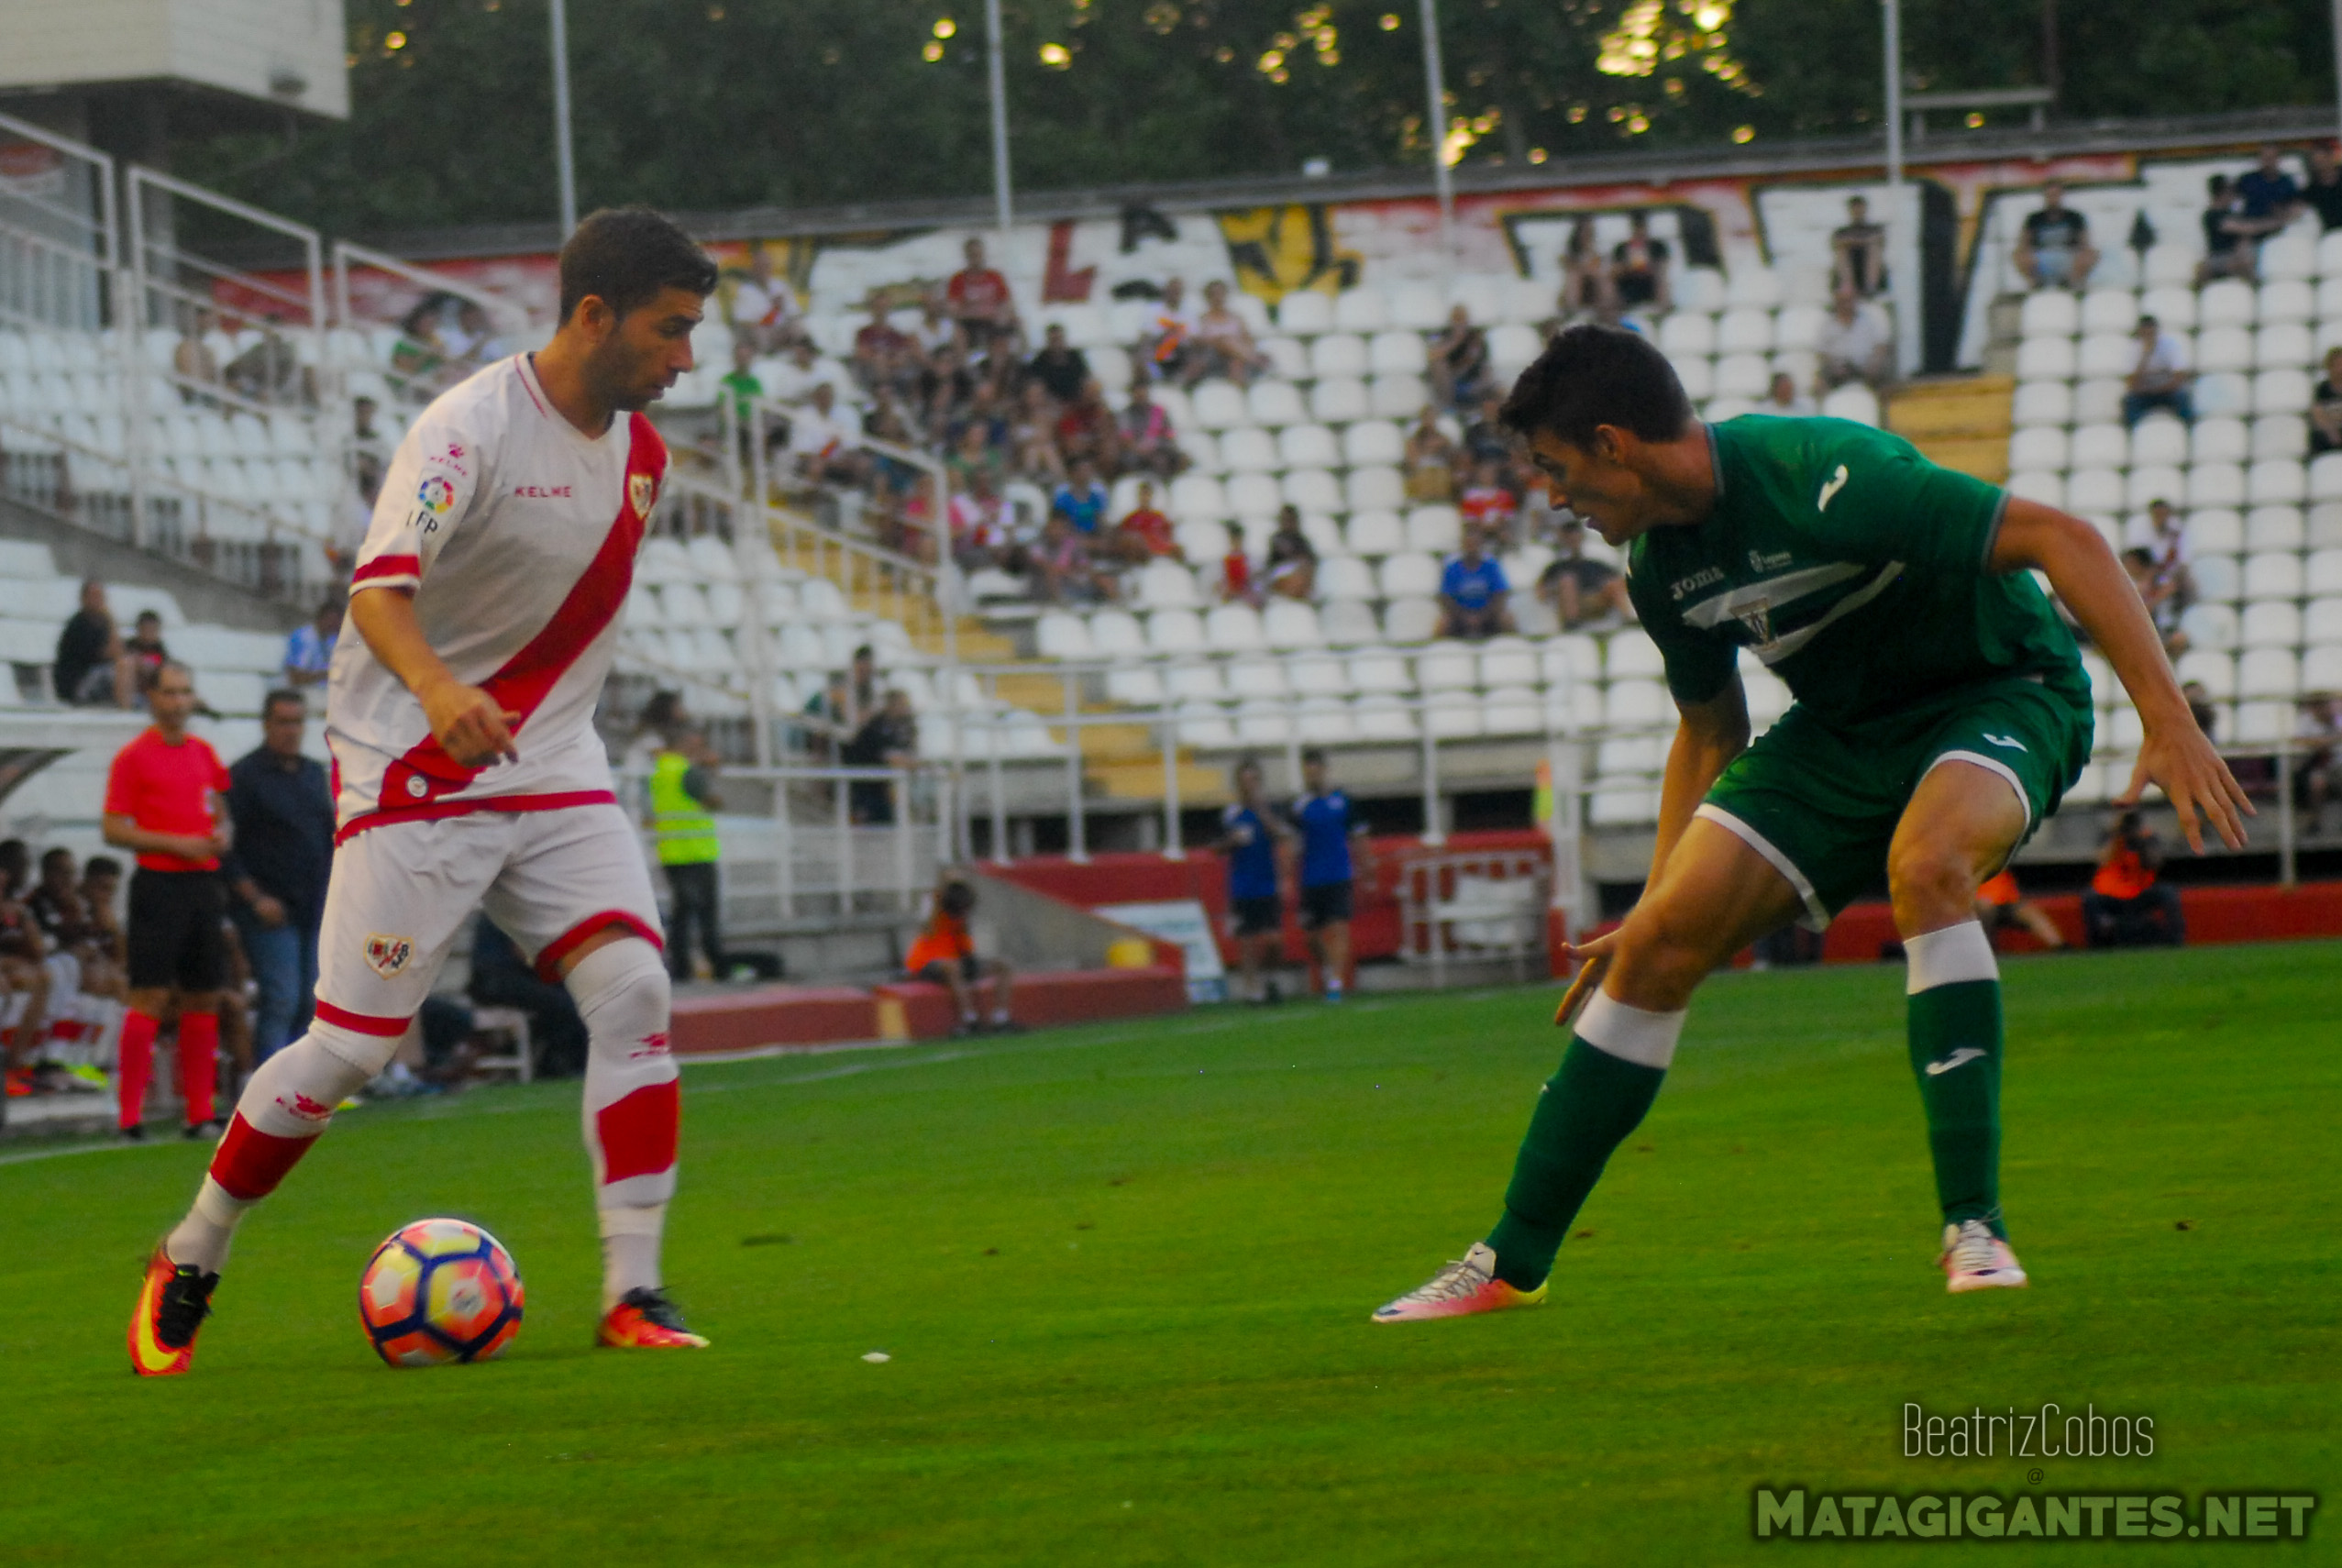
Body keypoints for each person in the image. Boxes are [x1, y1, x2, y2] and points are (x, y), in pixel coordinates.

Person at [1371, 323, 2248, 1323]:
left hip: (1999, 694)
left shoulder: (1829, 473)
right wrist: (1657, 904)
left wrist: (2167, 721)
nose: (1554, 496)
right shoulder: (1661, 570)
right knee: (1653, 948)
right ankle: (1507, 1261)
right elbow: (1709, 730)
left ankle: (1975, 1225)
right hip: (1839, 734)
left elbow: (2066, 538)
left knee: (1925, 867)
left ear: (1614, 443)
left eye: (1556, 469)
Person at [127, 206, 724, 1377]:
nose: (684, 359)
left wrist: (515, 714)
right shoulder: (466, 429)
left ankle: (631, 1290)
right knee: (348, 1052)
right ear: (594, 315)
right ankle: (194, 1245)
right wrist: (443, 692)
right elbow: (376, 595)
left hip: (551, 765)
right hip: (417, 763)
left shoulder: (643, 458)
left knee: (636, 989)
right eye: (669, 330)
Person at [100, 662, 230, 1142]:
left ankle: (199, 1112)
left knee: (204, 994)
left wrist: (222, 834)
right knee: (150, 993)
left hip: (202, 885)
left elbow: (219, 807)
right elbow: (113, 827)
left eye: (186, 692)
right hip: (158, 884)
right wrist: (177, 844)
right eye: (170, 693)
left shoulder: (205, 753)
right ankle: (129, 1114)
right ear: (153, 698)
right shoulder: (133, 758)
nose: (179, 701)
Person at [221, 690, 335, 1065]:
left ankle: (303, 1085)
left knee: (312, 1000)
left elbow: (327, 835)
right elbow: (226, 848)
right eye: (284, 722)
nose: (292, 730)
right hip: (270, 907)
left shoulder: (314, 774)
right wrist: (254, 898)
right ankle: (270, 1086)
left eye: (297, 722)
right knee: (281, 998)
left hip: (314, 905)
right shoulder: (243, 777)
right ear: (266, 724)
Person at [645, 704, 737, 983]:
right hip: (697, 852)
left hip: (671, 851)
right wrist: (712, 772)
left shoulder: (660, 771)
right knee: (706, 912)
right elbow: (713, 801)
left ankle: (681, 966)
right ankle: (717, 963)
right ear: (684, 744)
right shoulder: (688, 772)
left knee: (682, 913)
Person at [1291, 748, 1370, 1004]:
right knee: (1312, 936)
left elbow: (1358, 835)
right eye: (1307, 772)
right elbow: (1291, 843)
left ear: (1324, 770)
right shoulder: (1299, 806)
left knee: (1338, 928)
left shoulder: (1343, 801)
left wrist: (1366, 867)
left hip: (1339, 874)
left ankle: (1335, 981)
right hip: (1311, 878)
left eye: (1315, 770)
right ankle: (1327, 968)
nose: (1312, 776)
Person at [1217, 757, 1292, 1005]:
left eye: (1253, 781)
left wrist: (1262, 811)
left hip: (1267, 882)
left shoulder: (1269, 809)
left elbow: (1282, 834)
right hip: (1242, 884)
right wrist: (1232, 842)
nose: (1249, 786)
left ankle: (1270, 977)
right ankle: (1252, 988)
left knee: (1274, 940)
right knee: (1247, 940)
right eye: (1245, 782)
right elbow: (1217, 847)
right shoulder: (1231, 813)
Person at [904, 875, 1014, 1035]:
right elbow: (926, 929)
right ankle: (969, 1019)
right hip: (928, 964)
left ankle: (1001, 1018)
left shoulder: (961, 911)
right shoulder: (933, 904)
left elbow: (966, 946)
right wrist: (938, 902)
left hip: (958, 960)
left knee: (1004, 964)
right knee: (952, 967)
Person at [2082, 810, 2184, 947]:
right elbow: (2102, 860)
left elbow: (2155, 862)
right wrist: (2117, 836)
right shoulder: (2110, 836)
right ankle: (2098, 943)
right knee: (2090, 898)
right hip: (2112, 893)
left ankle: (2174, 941)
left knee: (2168, 892)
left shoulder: (2147, 836)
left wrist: (2142, 842)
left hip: (2140, 891)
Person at [0, 841, 51, 1098]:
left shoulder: (17, 908)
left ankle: (16, 1064)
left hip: (11, 971)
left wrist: (25, 921)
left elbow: (39, 950)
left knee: (43, 977)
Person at [1536, 514, 1633, 629]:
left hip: (1597, 601)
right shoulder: (1555, 567)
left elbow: (1617, 580)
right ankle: (1571, 623)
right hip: (1569, 602)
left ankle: (1628, 619)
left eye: (1575, 534)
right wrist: (1555, 591)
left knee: (1613, 583)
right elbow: (1540, 590)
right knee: (1567, 580)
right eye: (1569, 535)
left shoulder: (1594, 564)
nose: (1573, 538)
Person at [840, 689, 918, 823]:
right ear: (891, 705)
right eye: (901, 704)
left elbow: (908, 750)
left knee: (886, 821)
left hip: (882, 786)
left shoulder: (905, 725)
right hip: (866, 782)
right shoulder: (877, 725)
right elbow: (890, 757)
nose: (905, 708)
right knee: (868, 822)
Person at [52, 579, 131, 708]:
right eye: (94, 596)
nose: (98, 600)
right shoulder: (78, 625)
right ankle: (124, 709)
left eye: (100, 596)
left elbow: (121, 650)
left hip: (94, 675)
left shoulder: (100, 624)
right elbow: (111, 653)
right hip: (77, 683)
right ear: (83, 598)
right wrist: (111, 620)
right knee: (124, 666)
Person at [1183, 280, 1270, 388]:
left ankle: (1239, 392)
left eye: (1220, 294)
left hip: (1237, 356)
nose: (1217, 297)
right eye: (1213, 294)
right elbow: (1198, 341)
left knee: (1235, 362)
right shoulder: (1202, 319)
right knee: (1224, 341)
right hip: (1213, 357)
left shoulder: (1236, 318)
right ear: (1208, 297)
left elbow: (1247, 339)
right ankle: (1255, 360)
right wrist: (1220, 341)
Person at [2013, 182, 2098, 291]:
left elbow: (2085, 243)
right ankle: (2036, 285)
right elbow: (2023, 243)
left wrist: (2084, 256)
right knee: (2018, 255)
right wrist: (2025, 255)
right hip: (2041, 258)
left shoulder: (2075, 217)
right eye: (2050, 195)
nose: (2053, 198)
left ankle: (2072, 284)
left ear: (2061, 196)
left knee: (2092, 254)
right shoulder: (2034, 218)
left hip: (2068, 256)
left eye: (2056, 195)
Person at [1438, 523, 1514, 640]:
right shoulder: (1452, 568)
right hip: (1460, 615)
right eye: (1469, 544)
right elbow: (1446, 598)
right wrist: (1465, 617)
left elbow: (1499, 595)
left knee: (1507, 620)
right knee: (1443, 624)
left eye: (1475, 544)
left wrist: (1482, 616)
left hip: (1487, 614)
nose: (1472, 548)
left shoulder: (1491, 566)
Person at [1815, 285, 1893, 392]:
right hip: (1837, 371)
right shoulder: (1828, 325)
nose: (1847, 304)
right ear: (1837, 302)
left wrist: (1873, 365)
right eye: (1843, 301)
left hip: (1864, 369)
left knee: (1884, 377)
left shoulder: (1868, 321)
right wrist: (1833, 367)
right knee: (1820, 381)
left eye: (1850, 300)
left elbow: (1881, 347)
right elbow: (1821, 353)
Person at [2121, 316, 2194, 428]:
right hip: (2145, 393)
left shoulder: (2170, 345)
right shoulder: (2134, 349)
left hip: (2168, 390)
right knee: (2130, 401)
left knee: (2182, 397)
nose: (2148, 335)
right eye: (2145, 332)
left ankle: (2188, 428)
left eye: (2151, 331)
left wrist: (2159, 389)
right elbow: (2131, 382)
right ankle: (2133, 431)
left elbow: (2180, 376)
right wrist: (2145, 356)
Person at [945, 237, 1017, 349]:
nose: (976, 259)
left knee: (1016, 323)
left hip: (994, 321)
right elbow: (953, 309)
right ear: (967, 256)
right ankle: (963, 366)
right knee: (958, 334)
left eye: (979, 255)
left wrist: (1002, 314)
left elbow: (1006, 302)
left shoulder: (995, 276)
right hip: (970, 323)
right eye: (973, 255)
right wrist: (976, 313)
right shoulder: (958, 279)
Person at [1972, 867, 2064, 952]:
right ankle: (1984, 949)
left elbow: (2008, 892)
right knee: (1985, 907)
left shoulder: (1997, 865)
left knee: (2029, 912)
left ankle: (2060, 947)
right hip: (1976, 906)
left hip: (2004, 902)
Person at [2292, 690, 2340, 833]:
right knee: (2316, 783)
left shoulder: (2339, 720)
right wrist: (2326, 741)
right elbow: (2298, 741)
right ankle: (2314, 822)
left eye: (2326, 704)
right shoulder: (2306, 722)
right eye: (2318, 705)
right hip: (2318, 768)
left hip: (2339, 766)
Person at [2195, 175, 2257, 285]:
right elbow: (2237, 228)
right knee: (2202, 268)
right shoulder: (2211, 215)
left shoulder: (2234, 214)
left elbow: (2245, 234)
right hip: (2217, 256)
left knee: (2243, 263)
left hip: (2233, 256)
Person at [1556, 215, 1616, 324]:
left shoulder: (1598, 254)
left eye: (1589, 233)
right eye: (1584, 232)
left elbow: (1602, 269)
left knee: (1602, 278)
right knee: (1575, 277)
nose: (1587, 236)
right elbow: (1569, 267)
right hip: (1576, 290)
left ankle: (1607, 308)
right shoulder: (1569, 256)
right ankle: (1572, 311)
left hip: (1594, 290)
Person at [1430, 306, 1491, 411]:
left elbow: (1480, 361)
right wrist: (1455, 341)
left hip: (1473, 381)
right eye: (1456, 318)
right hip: (1450, 382)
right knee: (1438, 365)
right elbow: (1434, 355)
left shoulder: (1475, 337)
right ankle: (1447, 407)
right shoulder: (1444, 335)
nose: (1459, 322)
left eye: (1462, 318)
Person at [2232, 146, 2302, 237]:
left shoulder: (2287, 182)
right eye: (2265, 158)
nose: (2268, 162)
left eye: (2272, 158)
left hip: (2279, 232)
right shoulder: (2248, 180)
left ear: (2278, 159)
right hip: (2251, 230)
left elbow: (2296, 206)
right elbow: (2234, 203)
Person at [1608, 213, 1672, 313]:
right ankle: (1615, 312)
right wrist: (1627, 267)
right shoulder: (1621, 247)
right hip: (1628, 281)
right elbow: (1615, 269)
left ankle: (1662, 310)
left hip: (1651, 281)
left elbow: (1664, 265)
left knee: (1661, 278)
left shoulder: (1658, 246)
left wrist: (1650, 266)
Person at [1117, 381, 1183, 477]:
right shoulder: (1125, 414)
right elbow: (1126, 439)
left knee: (1175, 457)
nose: (1141, 396)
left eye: (1143, 393)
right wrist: (1141, 449)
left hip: (1159, 448)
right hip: (1136, 451)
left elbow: (1170, 434)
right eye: (1137, 394)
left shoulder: (1159, 412)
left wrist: (1157, 444)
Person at [1829, 195, 1888, 299]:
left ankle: (1870, 289)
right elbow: (1838, 242)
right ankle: (1848, 288)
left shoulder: (1875, 229)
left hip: (1870, 271)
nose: (1857, 212)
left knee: (1873, 248)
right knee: (1842, 251)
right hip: (1848, 271)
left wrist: (1852, 241)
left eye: (1859, 208)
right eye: (1855, 209)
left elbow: (1878, 240)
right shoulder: (1842, 231)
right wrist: (1863, 241)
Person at [1112, 480, 1181, 566]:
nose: (1144, 497)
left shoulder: (1160, 517)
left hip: (1159, 549)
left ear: (1151, 496)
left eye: (1147, 494)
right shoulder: (1131, 518)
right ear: (1138, 496)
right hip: (1141, 552)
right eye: (1142, 494)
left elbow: (1168, 536)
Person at [282, 597, 342, 690]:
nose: (334, 624)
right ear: (321, 618)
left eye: (337, 621)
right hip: (300, 691)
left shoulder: (333, 640)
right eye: (332, 620)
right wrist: (325, 675)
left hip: (324, 692)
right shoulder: (302, 637)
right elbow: (295, 678)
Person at [1027, 323, 1091, 404]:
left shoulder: (1075, 357)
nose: (1057, 344)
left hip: (1077, 401)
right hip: (1050, 405)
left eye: (1059, 339)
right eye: (1054, 340)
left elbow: (1086, 378)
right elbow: (1036, 386)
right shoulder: (1039, 362)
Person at [1263, 506, 1318, 601]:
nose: (1287, 523)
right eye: (1285, 519)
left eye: (1290, 519)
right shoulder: (1277, 539)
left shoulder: (1302, 540)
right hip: (1279, 572)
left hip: (1298, 572)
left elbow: (1310, 560)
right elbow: (1271, 564)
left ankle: (1300, 592)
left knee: (1303, 568)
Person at [2301, 146, 2342, 232]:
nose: (2321, 165)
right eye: (2317, 162)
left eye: (2323, 160)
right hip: (2333, 233)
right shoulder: (2312, 190)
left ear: (2331, 158)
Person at [2310, 348, 2342, 455]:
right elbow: (2318, 413)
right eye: (2336, 365)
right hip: (2330, 432)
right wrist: (2331, 432)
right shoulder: (2322, 389)